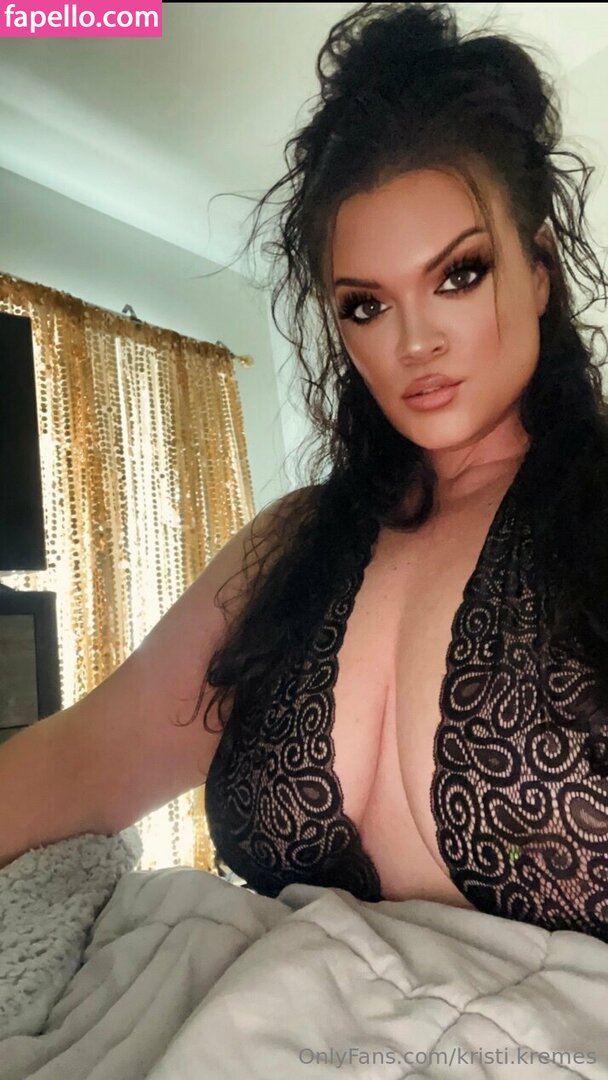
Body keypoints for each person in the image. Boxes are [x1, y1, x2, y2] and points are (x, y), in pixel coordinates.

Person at [3, 2, 608, 941]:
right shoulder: (294, 544)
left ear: (538, 270)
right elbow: (80, 762)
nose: (415, 341)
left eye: (459, 274)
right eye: (366, 305)